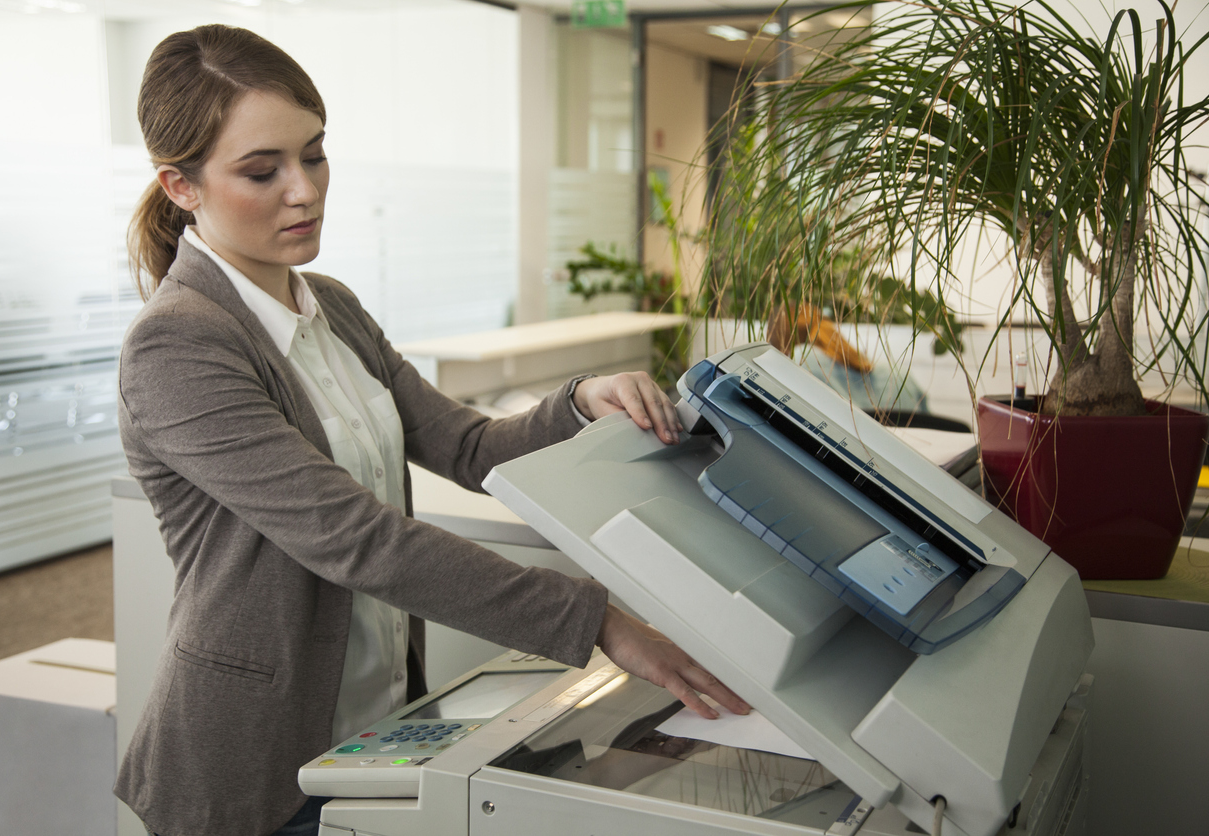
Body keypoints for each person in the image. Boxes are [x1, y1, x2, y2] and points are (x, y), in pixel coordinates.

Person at [115, 24, 748, 836]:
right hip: (253, 758)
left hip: (374, 725)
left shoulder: (331, 305)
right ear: (180, 186)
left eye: (314, 154)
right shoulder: (179, 344)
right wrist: (600, 623)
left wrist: (581, 400)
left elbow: (466, 448)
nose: (304, 190)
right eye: (262, 170)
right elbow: (355, 539)